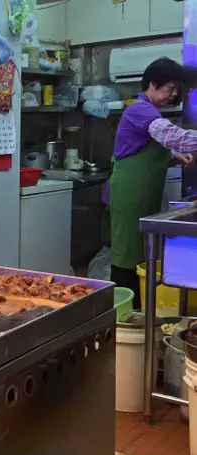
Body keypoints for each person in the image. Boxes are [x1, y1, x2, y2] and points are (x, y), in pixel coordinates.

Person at [110, 57, 197, 306]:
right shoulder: (140, 109)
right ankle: (123, 307)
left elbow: (147, 149)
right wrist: (178, 148)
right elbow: (173, 137)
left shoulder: (149, 113)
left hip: (142, 193)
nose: (173, 94)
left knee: (138, 250)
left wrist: (174, 158)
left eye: (177, 91)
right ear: (152, 83)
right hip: (129, 194)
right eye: (170, 87)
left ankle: (136, 306)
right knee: (125, 252)